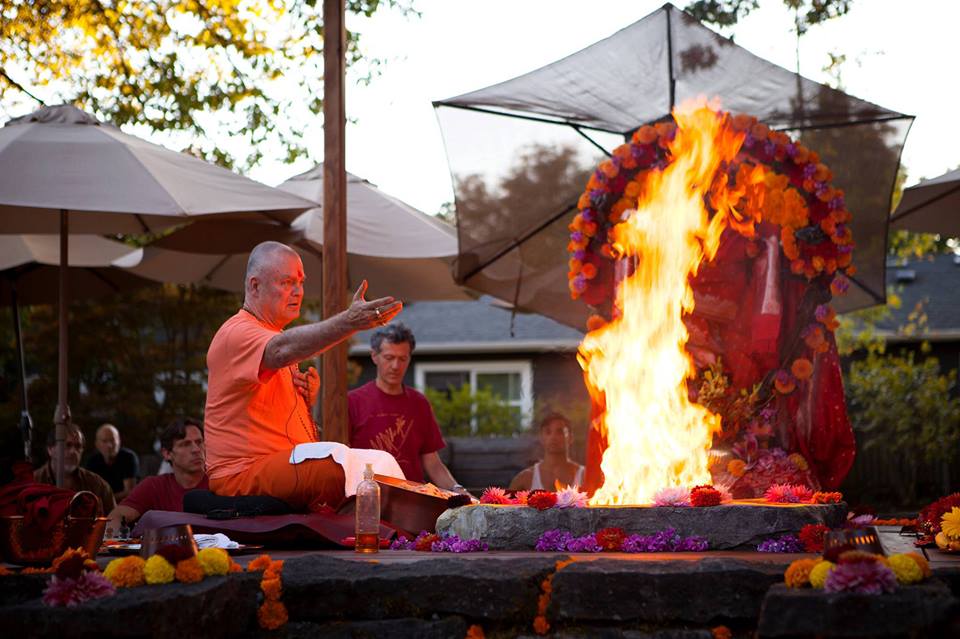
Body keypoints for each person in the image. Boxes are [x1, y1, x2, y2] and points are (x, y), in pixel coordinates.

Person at [204, 241, 402, 510]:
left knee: (381, 461)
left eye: (300, 282)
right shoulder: (236, 332)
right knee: (336, 466)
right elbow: (282, 350)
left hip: (279, 465)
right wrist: (350, 321)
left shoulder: (273, 335)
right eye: (286, 282)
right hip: (241, 473)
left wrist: (305, 402)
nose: (298, 291)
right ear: (254, 286)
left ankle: (412, 533)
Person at [349, 322, 463, 490]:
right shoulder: (353, 401)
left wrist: (459, 490)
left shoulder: (419, 403)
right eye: (389, 358)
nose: (395, 366)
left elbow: (432, 462)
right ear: (374, 356)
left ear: (409, 359)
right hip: (367, 496)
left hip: (412, 498)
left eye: (402, 359)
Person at [106, 418, 207, 534]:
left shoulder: (221, 482)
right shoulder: (154, 486)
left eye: (199, 442)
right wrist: (116, 542)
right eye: (185, 444)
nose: (196, 449)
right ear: (167, 454)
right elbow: (116, 517)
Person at [34, 424, 116, 514]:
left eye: (78, 446)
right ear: (50, 449)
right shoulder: (33, 482)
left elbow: (115, 520)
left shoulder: (98, 485)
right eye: (67, 445)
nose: (73, 451)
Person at [509, 413, 585, 491]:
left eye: (560, 432)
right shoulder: (526, 478)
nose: (553, 437)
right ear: (541, 438)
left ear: (571, 437)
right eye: (548, 432)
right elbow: (505, 502)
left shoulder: (585, 476)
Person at [85, 423, 140, 501]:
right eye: (104, 441)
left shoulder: (128, 458)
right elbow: (90, 491)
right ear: (97, 444)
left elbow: (129, 492)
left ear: (119, 441)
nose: (109, 445)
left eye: (112, 440)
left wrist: (104, 499)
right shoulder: (92, 461)